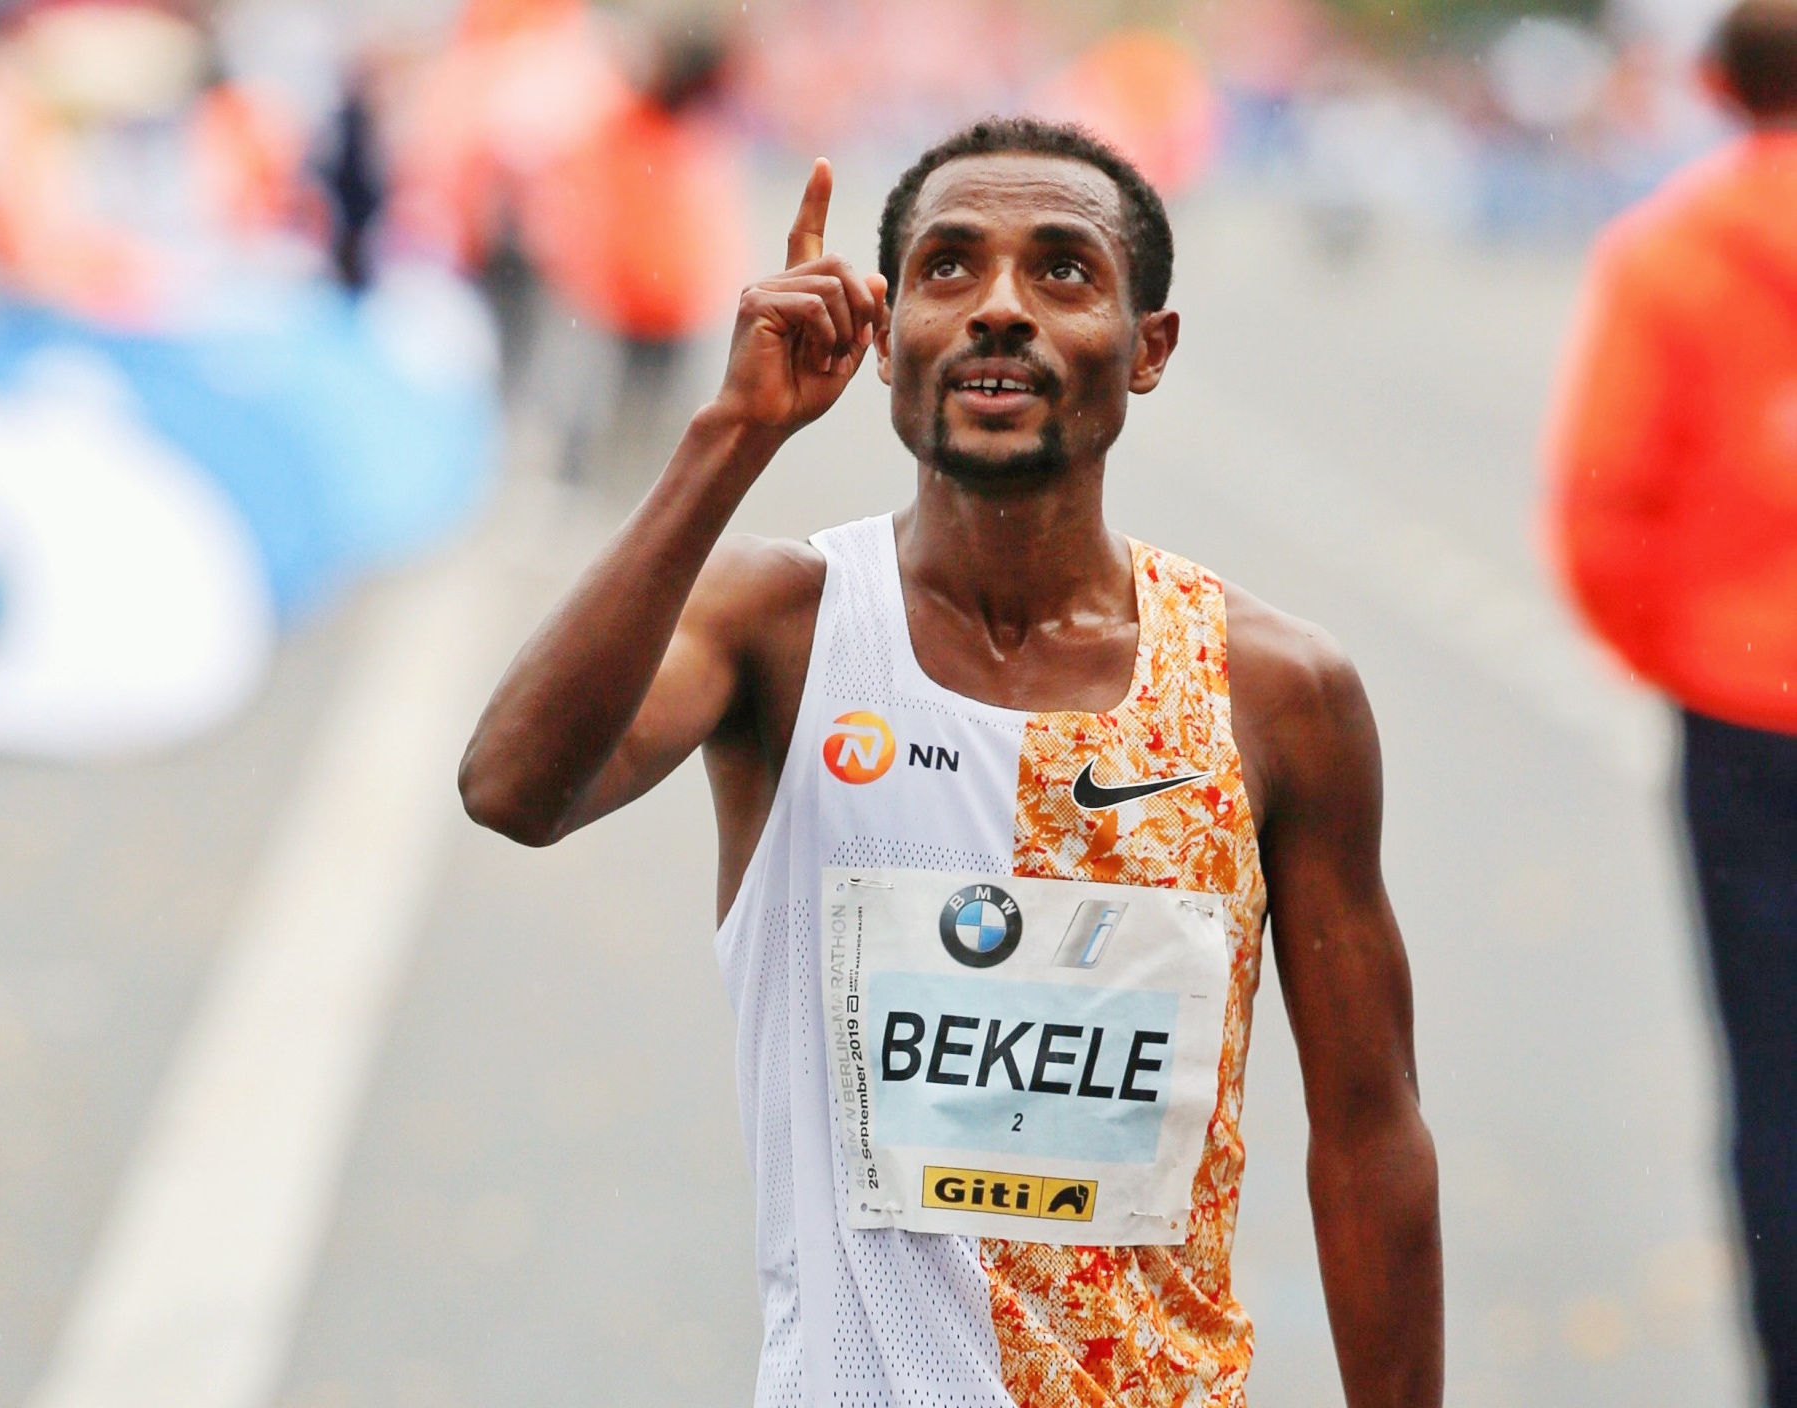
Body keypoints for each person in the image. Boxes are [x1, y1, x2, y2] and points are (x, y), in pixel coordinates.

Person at [462, 118, 1442, 1406]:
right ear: (886, 340)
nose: (999, 308)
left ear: (1149, 347)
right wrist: (732, 435)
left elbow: (1370, 1133)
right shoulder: (784, 628)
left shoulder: (1275, 692)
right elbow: (514, 789)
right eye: (948, 267)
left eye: (1064, 271)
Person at [1547, 4, 1797, 1401]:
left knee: (1775, 1069)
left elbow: (1602, 506)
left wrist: (1686, 655)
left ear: (1714, 83)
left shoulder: (1672, 251)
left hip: (1749, 713)